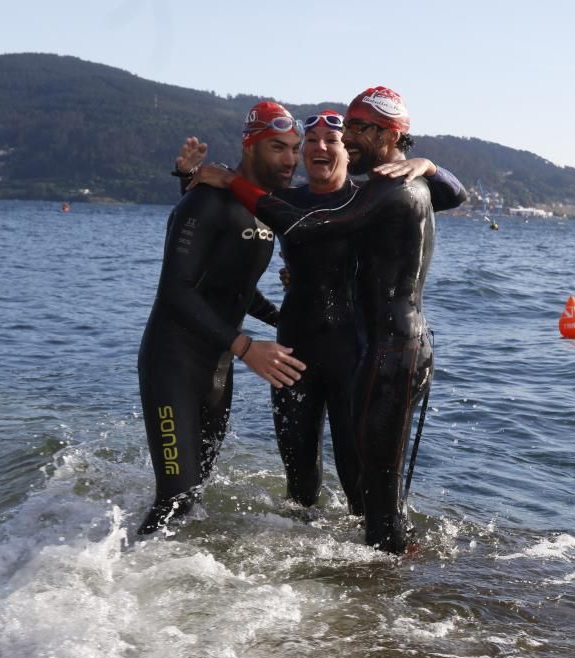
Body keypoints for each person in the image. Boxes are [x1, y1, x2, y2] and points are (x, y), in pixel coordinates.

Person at [194, 87, 463, 553]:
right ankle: (323, 568)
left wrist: (429, 164)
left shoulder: (371, 195)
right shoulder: (293, 198)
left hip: (363, 353)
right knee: (305, 485)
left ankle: (385, 583)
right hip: (304, 348)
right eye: (311, 141)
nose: (327, 146)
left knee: (367, 486)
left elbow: (452, 194)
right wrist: (190, 177)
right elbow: (223, 222)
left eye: (344, 135)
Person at [136, 101, 307, 535]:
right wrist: (247, 348)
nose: (290, 160)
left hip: (218, 366)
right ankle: (105, 585)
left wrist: (283, 321)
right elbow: (175, 290)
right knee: (173, 499)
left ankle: (164, 595)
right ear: (249, 147)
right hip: (173, 361)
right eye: (277, 148)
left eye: (294, 148)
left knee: (192, 497)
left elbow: (236, 287)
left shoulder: (263, 208)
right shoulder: (205, 200)